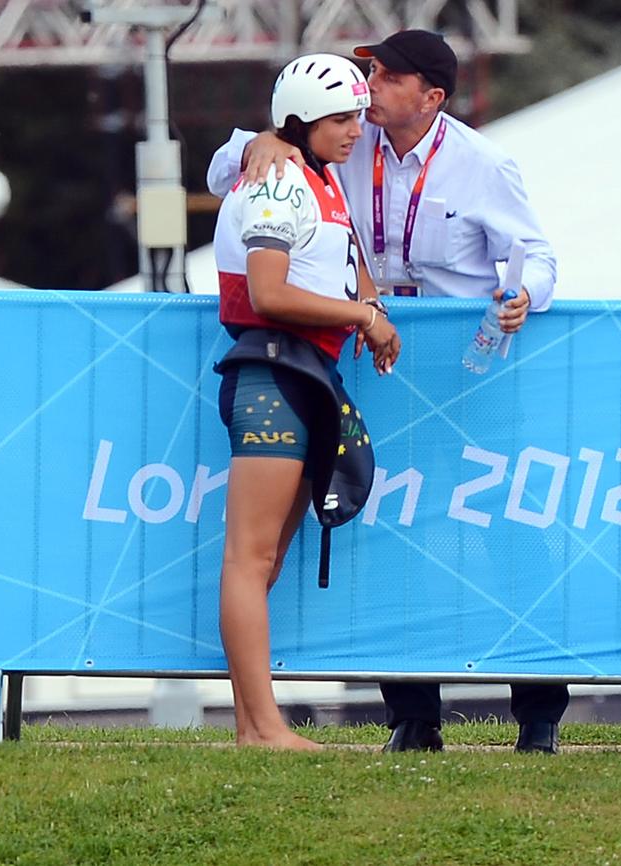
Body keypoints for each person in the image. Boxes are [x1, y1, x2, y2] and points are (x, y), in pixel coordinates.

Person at [207, 30, 565, 755]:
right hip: (369, 364)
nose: (366, 88)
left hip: (466, 377)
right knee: (387, 536)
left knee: (509, 534)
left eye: (385, 76)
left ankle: (537, 715)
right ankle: (411, 717)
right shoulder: (338, 141)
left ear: (431, 97)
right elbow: (236, 165)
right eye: (364, 73)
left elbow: (539, 253)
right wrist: (256, 145)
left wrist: (525, 291)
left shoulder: (482, 162)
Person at [211, 52, 400, 750]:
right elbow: (268, 293)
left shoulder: (314, 176)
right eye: (342, 119)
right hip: (271, 372)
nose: (357, 130)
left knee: (265, 558)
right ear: (302, 122)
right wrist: (361, 317)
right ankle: (261, 731)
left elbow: (346, 265)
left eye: (357, 116)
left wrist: (370, 306)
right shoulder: (282, 179)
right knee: (250, 557)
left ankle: (256, 726)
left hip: (300, 374)